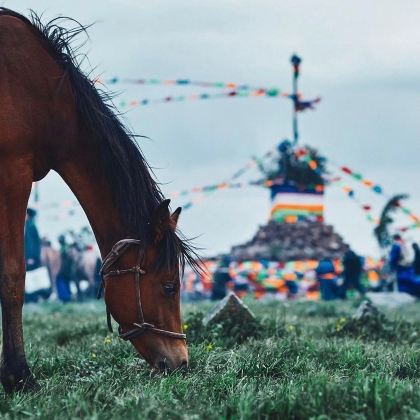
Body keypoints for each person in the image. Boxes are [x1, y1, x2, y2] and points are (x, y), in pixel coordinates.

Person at [56, 235, 73, 302]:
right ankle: (68, 296)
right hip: (68, 268)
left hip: (65, 268)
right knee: (67, 282)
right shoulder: (67, 246)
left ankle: (65, 297)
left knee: (60, 279)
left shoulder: (63, 248)